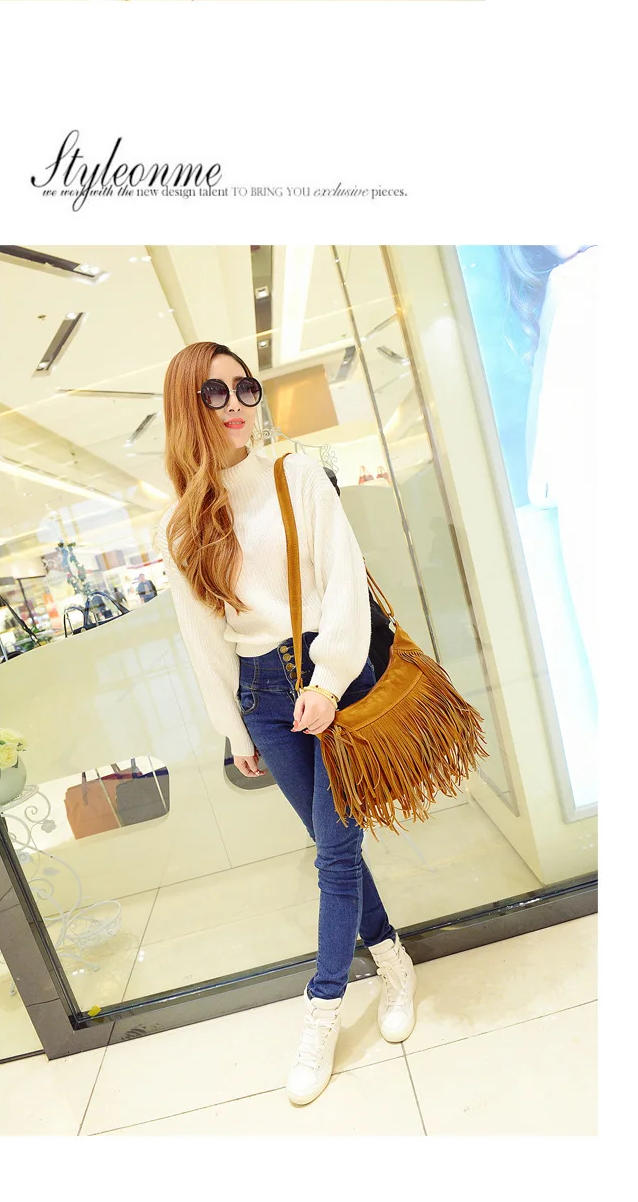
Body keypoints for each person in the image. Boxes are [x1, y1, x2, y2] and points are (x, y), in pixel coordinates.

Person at [158, 341, 415, 1107]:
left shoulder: (295, 474)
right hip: (261, 699)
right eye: (215, 393)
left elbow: (342, 581)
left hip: (321, 679)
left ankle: (323, 1006)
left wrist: (329, 682)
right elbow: (204, 638)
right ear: (186, 408)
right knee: (334, 847)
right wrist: (235, 731)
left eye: (245, 387)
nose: (238, 404)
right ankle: (393, 957)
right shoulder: (181, 523)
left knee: (334, 855)